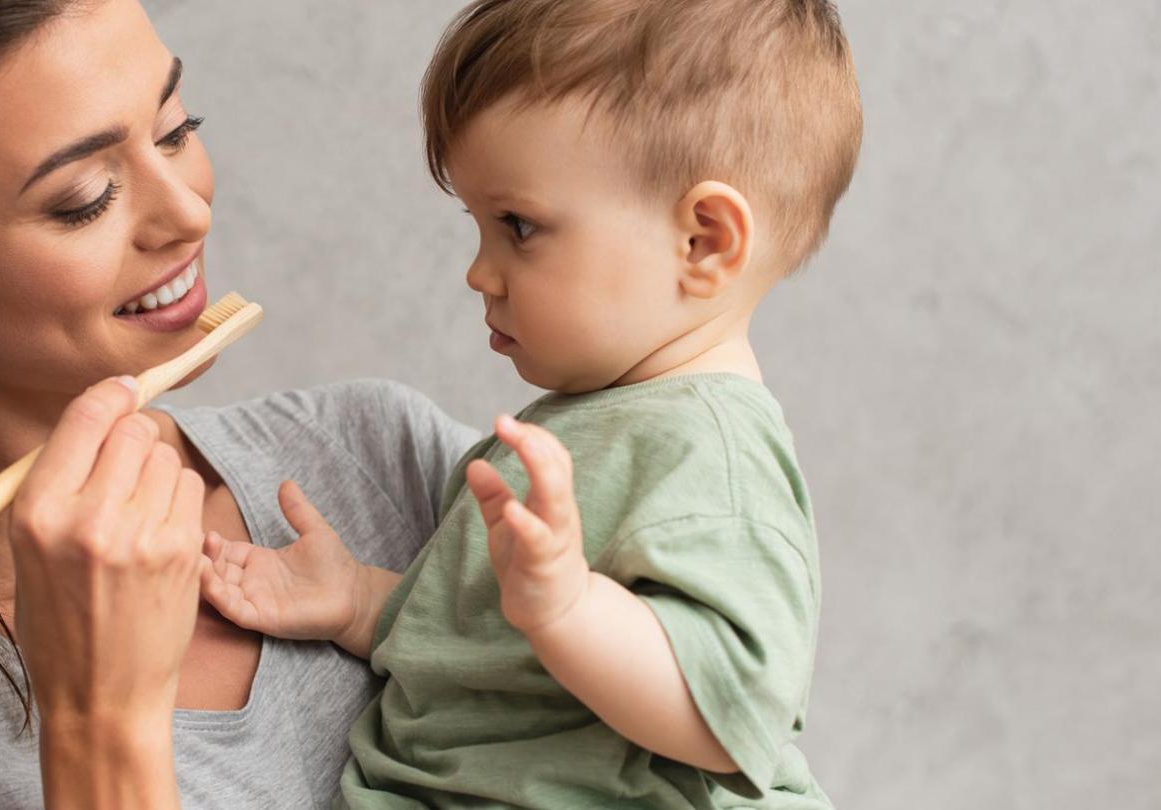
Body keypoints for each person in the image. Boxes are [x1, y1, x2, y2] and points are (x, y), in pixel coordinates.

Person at [0, 0, 475, 807]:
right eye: (83, 198)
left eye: (176, 130)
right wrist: (99, 716)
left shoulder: (381, 456)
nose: (188, 214)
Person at [197, 0, 863, 806]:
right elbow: (489, 665)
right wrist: (358, 602)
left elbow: (728, 714)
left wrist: (571, 608)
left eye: (518, 226)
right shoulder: (585, 426)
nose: (480, 272)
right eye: (478, 226)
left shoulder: (709, 457)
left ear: (704, 242)